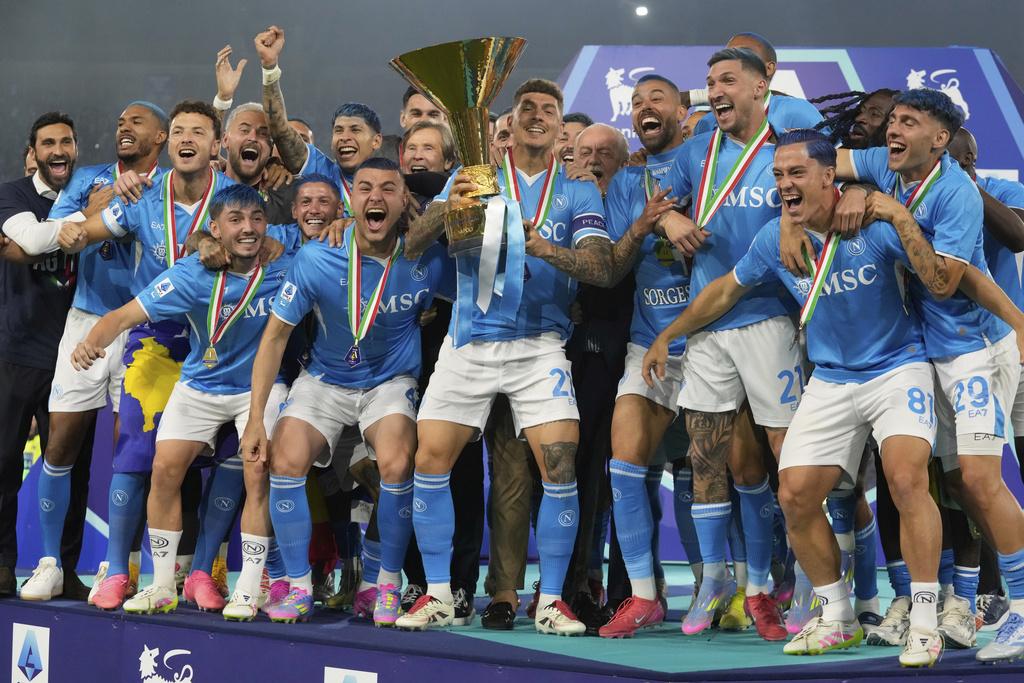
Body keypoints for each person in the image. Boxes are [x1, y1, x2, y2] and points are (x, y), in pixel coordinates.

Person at [644, 128, 977, 666]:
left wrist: (890, 211)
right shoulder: (776, 238)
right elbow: (725, 289)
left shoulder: (871, 225)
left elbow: (941, 274)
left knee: (906, 480)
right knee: (795, 494)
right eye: (778, 175)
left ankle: (923, 620)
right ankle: (837, 616)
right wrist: (669, 334)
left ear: (829, 177)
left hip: (898, 369)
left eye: (796, 173)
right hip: (832, 379)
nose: (784, 185)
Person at [781, 88, 1024, 665]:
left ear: (939, 140)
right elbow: (809, 167)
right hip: (928, 353)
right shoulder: (882, 163)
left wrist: (891, 211)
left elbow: (946, 283)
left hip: (974, 350)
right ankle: (946, 604)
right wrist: (789, 218)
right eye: (892, 120)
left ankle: (1020, 608)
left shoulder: (957, 195)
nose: (892, 129)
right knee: (953, 486)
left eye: (908, 122)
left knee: (980, 482)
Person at [399, 78, 613, 635]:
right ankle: (438, 595)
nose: (537, 116)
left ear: (561, 126)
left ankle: (551, 603)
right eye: (527, 108)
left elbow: (600, 267)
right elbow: (412, 244)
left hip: (539, 345)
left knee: (559, 465)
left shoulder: (578, 191)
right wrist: (448, 208)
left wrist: (544, 248)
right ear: (511, 123)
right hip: (469, 340)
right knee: (430, 461)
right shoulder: (475, 177)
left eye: (549, 109)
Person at [240, 157, 451, 626]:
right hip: (325, 381)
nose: (376, 197)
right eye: (365, 188)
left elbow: (483, 290)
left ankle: (384, 583)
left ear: (404, 201)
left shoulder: (427, 259)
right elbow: (274, 338)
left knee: (397, 463)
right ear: (350, 200)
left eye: (389, 189)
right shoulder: (318, 257)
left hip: (389, 383)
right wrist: (256, 419)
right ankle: (299, 587)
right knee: (285, 460)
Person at [70, 186, 295, 620]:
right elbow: (124, 315)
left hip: (261, 388)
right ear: (215, 229)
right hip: (200, 384)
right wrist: (91, 342)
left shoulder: (284, 261)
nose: (248, 229)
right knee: (165, 469)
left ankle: (248, 588)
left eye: (256, 219)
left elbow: (329, 234)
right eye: (235, 220)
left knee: (257, 472)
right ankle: (160, 586)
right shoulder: (192, 273)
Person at [57, 100, 236, 610]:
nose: (186, 139)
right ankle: (117, 571)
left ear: (214, 145)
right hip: (155, 341)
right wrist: (72, 230)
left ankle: (201, 573)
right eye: (178, 131)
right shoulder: (143, 195)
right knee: (135, 454)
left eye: (197, 132)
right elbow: (90, 230)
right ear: (168, 141)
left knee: (227, 458)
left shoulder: (235, 198)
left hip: (221, 342)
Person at [657, 48, 800, 639]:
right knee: (705, 457)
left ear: (761, 86)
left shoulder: (785, 149)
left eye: (728, 80)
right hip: (708, 325)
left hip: (770, 318)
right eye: (710, 81)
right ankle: (715, 578)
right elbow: (656, 205)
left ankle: (776, 585)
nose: (715, 90)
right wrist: (669, 221)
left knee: (787, 456)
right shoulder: (695, 151)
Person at [15, 102, 168, 602]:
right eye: (120, 121)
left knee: (131, 451)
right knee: (60, 445)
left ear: (160, 137)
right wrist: (93, 212)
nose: (124, 127)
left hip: (142, 327)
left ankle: (114, 566)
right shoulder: (87, 180)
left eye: (137, 122)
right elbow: (60, 238)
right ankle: (50, 564)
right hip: (84, 322)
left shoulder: (168, 189)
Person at [0, 112, 80, 597]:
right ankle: (3, 563)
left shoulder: (85, 192)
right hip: (14, 350)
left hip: (72, 356)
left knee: (68, 465)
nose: (58, 150)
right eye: (48, 142)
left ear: (75, 148)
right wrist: (84, 222)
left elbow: (31, 245)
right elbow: (28, 240)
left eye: (65, 141)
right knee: (3, 462)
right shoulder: (12, 194)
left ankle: (65, 570)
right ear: (34, 152)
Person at [256, 26, 381, 211]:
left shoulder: (391, 181)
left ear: (376, 141)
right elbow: (280, 130)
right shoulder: (319, 169)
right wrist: (269, 68)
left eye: (355, 129)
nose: (344, 137)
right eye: (338, 130)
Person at [691, 34, 823, 136]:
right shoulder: (706, 124)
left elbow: (827, 159)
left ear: (769, 68)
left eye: (744, 55)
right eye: (728, 56)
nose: (732, 62)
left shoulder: (798, 112)